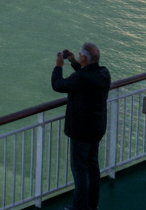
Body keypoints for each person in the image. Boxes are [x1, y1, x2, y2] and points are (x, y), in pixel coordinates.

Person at [51, 43, 110, 210]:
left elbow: (58, 85)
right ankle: (91, 205)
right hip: (97, 128)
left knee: (80, 171)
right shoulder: (103, 73)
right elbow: (86, 75)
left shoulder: (81, 79)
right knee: (92, 167)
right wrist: (73, 62)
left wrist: (59, 66)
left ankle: (79, 208)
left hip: (81, 131)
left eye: (79, 55)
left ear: (84, 58)